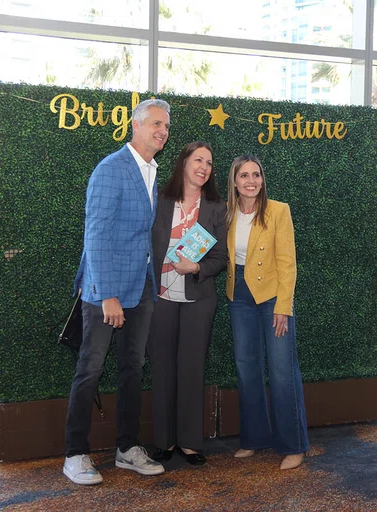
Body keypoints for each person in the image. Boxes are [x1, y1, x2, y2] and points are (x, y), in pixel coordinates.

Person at [63, 99, 171, 485]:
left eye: (166, 126)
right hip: (103, 289)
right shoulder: (111, 169)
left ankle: (127, 448)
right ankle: (75, 453)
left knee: (132, 368)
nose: (162, 131)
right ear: (136, 126)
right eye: (156, 123)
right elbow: (96, 235)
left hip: (141, 287)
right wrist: (107, 294)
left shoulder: (152, 170)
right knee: (89, 369)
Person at [225, 155, 309, 471]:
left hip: (273, 297)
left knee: (282, 369)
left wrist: (283, 307)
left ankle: (293, 445)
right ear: (234, 181)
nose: (250, 180)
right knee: (247, 368)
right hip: (239, 297)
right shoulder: (227, 213)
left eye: (256, 175)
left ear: (262, 179)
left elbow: (288, 263)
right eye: (244, 175)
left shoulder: (278, 211)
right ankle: (254, 438)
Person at [148, 141, 227, 466]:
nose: (204, 167)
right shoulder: (159, 200)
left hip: (199, 298)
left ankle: (190, 443)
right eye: (198, 159)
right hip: (160, 297)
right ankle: (163, 441)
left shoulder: (216, 207)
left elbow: (221, 256)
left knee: (192, 369)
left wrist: (197, 267)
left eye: (209, 162)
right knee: (162, 369)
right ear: (183, 163)